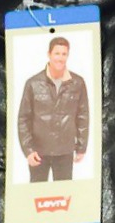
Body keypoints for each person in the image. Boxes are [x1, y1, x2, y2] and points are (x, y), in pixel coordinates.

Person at [17, 36, 89, 182]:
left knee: (63, 197)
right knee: (37, 197)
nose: (60, 58)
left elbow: (83, 115)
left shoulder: (77, 83)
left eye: (64, 54)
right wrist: (28, 150)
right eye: (57, 53)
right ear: (49, 54)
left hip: (65, 151)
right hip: (38, 151)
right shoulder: (33, 84)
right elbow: (24, 118)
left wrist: (81, 146)